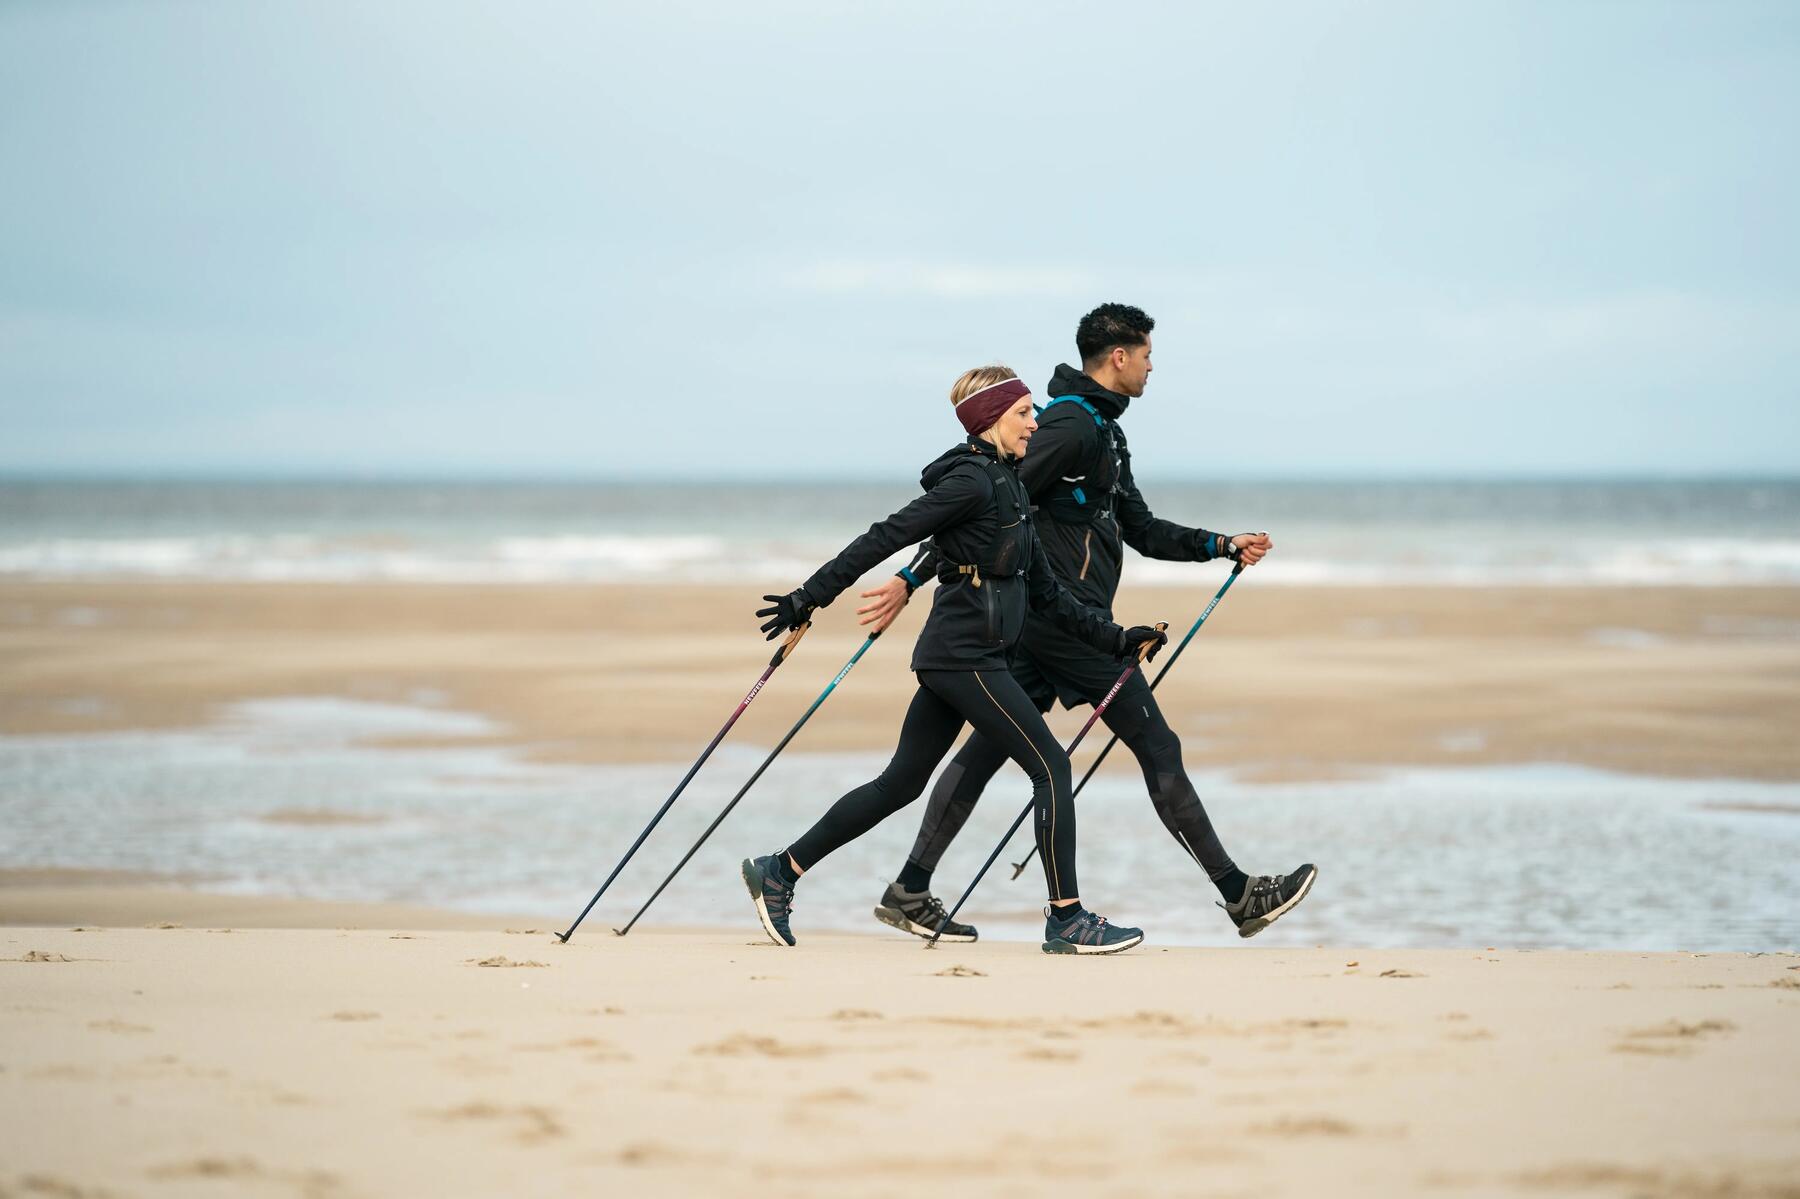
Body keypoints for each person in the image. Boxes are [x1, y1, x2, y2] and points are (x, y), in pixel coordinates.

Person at [856, 304, 1316, 943]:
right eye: (1147, 355)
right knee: (1157, 746)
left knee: (987, 749)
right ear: (1119, 356)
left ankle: (910, 886)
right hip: (1067, 624)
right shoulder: (1070, 426)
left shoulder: (1103, 430)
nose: (1152, 367)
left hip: (1050, 619)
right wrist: (914, 576)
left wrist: (1219, 544)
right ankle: (1237, 895)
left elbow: (1141, 528)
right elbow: (990, 501)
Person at [743, 364, 1169, 955]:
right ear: (991, 419)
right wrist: (808, 597)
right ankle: (1067, 919)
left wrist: (1118, 639)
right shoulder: (970, 482)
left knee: (900, 782)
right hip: (965, 657)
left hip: (968, 655)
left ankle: (779, 870)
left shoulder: (1011, 485)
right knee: (1051, 766)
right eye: (1024, 413)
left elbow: (1048, 593)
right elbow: (883, 537)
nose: (1036, 422)